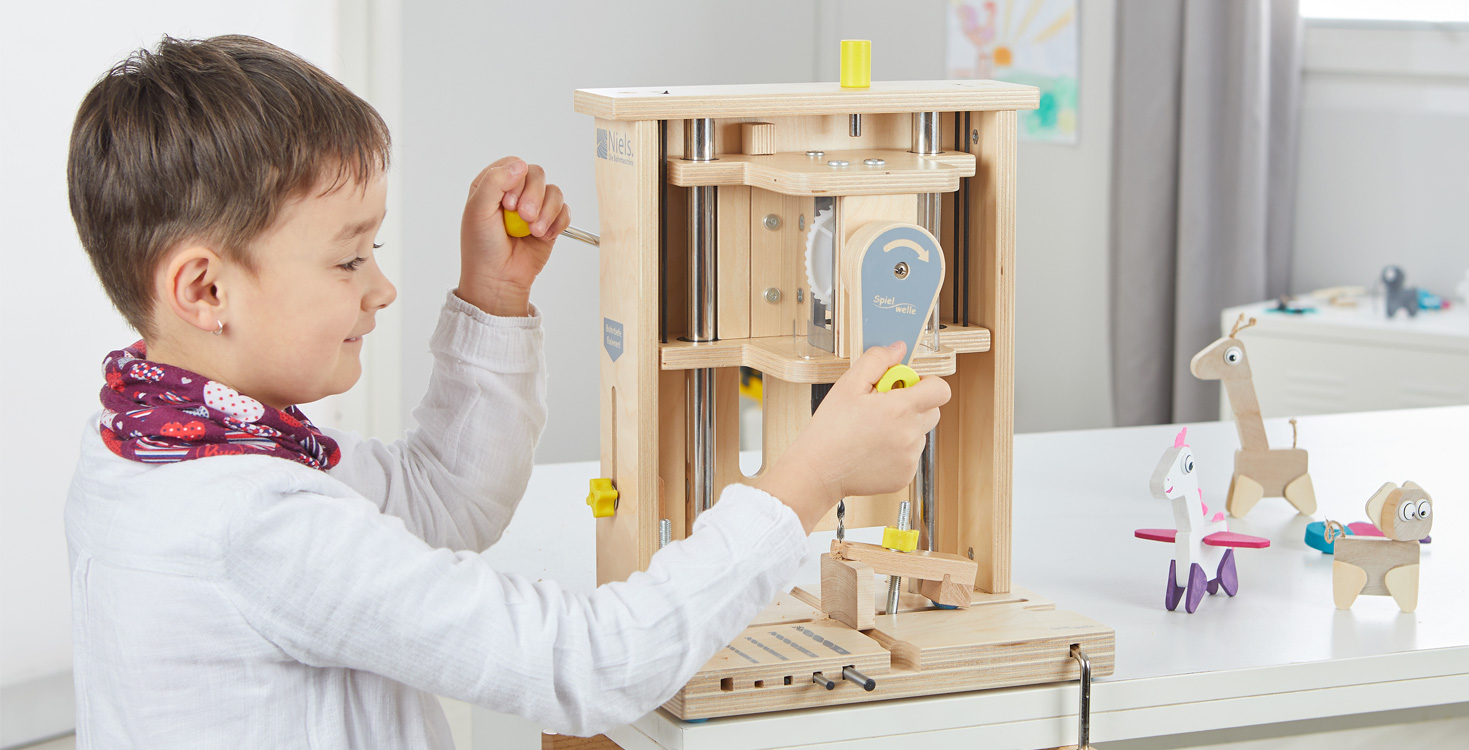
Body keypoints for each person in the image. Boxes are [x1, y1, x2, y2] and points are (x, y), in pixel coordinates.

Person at [65, 35, 949, 748]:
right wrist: (809, 481)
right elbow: (587, 667)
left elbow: (439, 498)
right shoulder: (250, 522)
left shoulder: (164, 440)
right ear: (206, 290)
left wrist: (493, 300)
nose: (381, 288)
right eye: (348, 258)